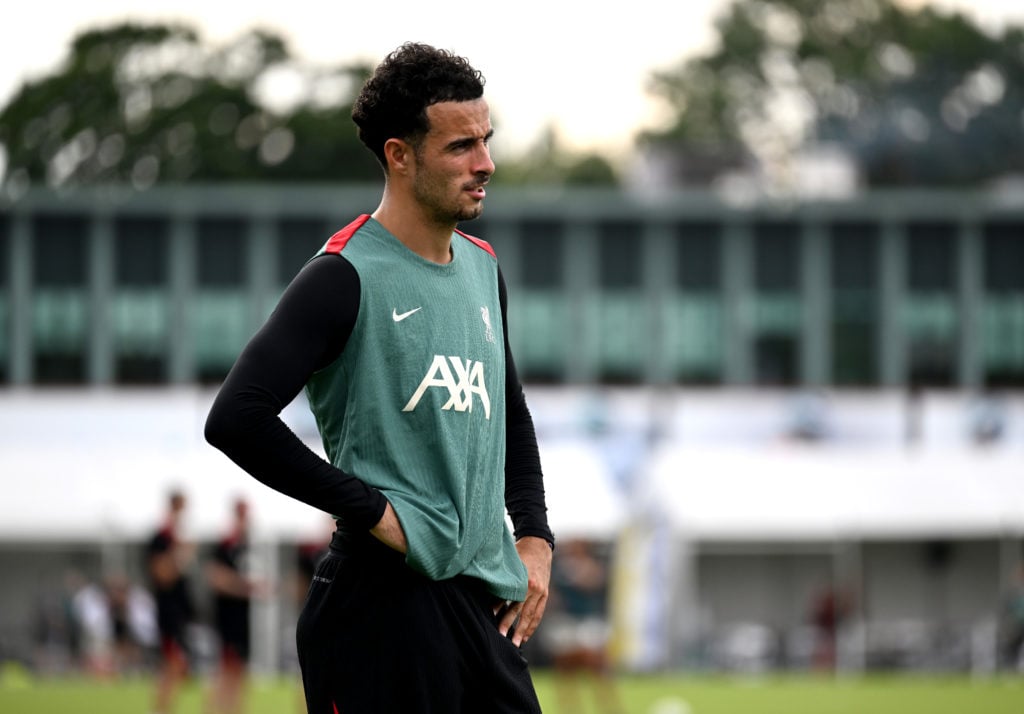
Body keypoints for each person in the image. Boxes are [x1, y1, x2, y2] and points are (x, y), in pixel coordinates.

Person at [205, 42, 554, 713]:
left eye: (486, 140)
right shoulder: (341, 275)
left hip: (479, 604)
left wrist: (534, 537)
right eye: (460, 147)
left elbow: (509, 414)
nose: (485, 164)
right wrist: (370, 509)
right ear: (400, 155)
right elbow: (236, 417)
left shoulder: (483, 268)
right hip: (378, 614)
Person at [206, 497, 263, 714]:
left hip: (241, 615)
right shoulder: (226, 544)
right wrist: (245, 587)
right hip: (227, 616)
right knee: (225, 669)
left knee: (239, 669)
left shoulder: (245, 545)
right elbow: (216, 578)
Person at [145, 489, 196, 714]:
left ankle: (164, 708)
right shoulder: (163, 539)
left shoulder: (175, 538)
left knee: (175, 667)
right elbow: (162, 575)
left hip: (177, 611)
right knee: (172, 665)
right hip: (168, 610)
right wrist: (180, 556)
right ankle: (161, 709)